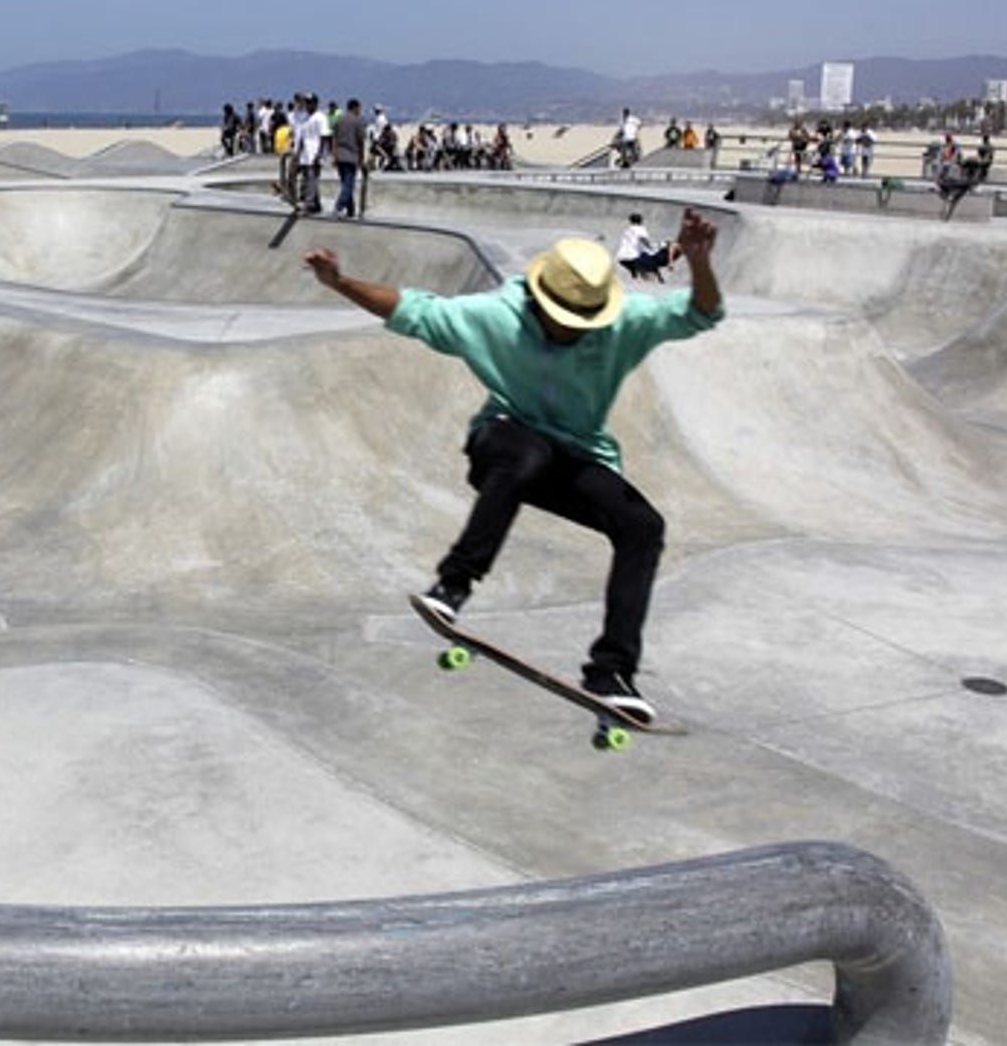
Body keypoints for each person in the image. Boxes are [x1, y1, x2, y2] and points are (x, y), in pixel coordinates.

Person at [300, 209, 725, 722]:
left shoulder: (622, 323)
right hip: (501, 444)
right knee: (528, 452)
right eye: (564, 321)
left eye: (582, 323)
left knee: (643, 526)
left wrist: (699, 262)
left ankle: (611, 673)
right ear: (541, 301)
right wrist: (340, 282)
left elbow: (701, 313)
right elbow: (412, 311)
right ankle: (453, 585)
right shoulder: (497, 314)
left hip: (577, 456)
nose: (572, 331)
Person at [616, 212, 682, 282]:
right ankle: (657, 280)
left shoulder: (627, 230)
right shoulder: (640, 229)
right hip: (633, 257)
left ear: (630, 222)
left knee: (638, 269)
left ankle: (636, 277)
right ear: (641, 221)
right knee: (649, 264)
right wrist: (650, 246)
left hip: (621, 258)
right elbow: (643, 240)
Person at [331, 97, 366, 220]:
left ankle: (351, 210)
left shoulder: (339, 120)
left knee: (345, 183)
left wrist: (334, 155)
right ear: (355, 108)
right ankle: (338, 207)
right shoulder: (358, 121)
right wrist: (362, 158)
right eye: (359, 108)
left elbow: (334, 139)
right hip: (351, 156)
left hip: (340, 155)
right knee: (349, 185)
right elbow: (361, 141)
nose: (360, 111)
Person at [295, 93, 329, 214]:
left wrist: (319, 154)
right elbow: (302, 138)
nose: (307, 105)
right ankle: (316, 204)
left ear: (315, 104)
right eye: (306, 103)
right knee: (307, 179)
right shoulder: (305, 118)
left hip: (314, 154)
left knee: (311, 180)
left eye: (310, 103)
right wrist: (298, 154)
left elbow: (324, 137)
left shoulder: (320, 117)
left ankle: (309, 204)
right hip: (305, 154)